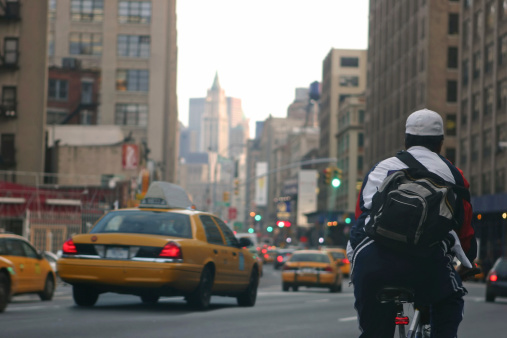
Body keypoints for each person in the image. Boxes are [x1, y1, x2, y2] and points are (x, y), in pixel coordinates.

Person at [347, 109, 477, 337]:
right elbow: (464, 229)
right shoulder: (454, 175)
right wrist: (468, 262)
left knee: (374, 331)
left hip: (373, 263)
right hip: (426, 263)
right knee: (450, 300)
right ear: (440, 143)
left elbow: (361, 220)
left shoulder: (379, 169)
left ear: (406, 140)